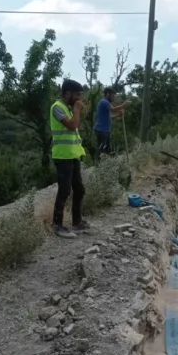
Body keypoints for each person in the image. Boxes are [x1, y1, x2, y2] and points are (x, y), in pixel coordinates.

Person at [51, 79, 90, 239]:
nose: (80, 98)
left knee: (79, 189)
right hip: (63, 156)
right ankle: (57, 225)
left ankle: (77, 221)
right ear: (68, 94)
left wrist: (75, 109)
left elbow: (74, 127)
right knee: (65, 190)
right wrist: (77, 110)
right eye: (77, 95)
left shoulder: (67, 108)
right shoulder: (57, 108)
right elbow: (72, 126)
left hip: (73, 155)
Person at [94, 87, 131, 156]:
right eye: (113, 95)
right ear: (108, 94)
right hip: (101, 130)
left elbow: (110, 117)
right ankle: (99, 165)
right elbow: (113, 109)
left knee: (107, 149)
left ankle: (106, 164)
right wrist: (124, 105)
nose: (114, 98)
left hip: (106, 130)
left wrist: (118, 115)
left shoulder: (106, 103)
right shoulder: (104, 102)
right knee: (101, 150)